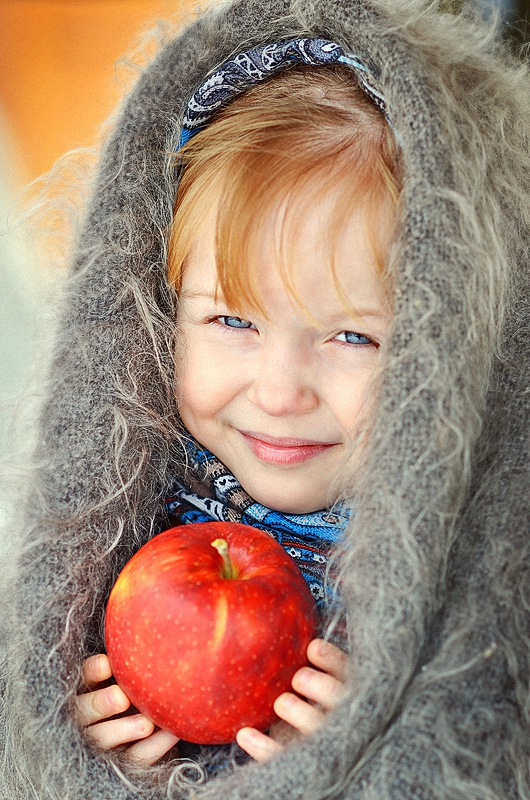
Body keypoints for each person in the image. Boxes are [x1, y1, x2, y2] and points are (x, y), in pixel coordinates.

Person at [1, 0, 530, 798]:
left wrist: (360, 755)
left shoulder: (481, 581)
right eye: (232, 318)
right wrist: (94, 755)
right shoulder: (119, 531)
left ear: (450, 350)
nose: (279, 393)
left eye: (353, 337)